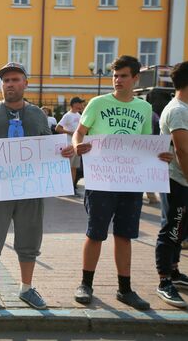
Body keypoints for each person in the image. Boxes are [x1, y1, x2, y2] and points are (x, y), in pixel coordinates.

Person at [0, 62, 74, 310]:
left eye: (15, 80)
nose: (10, 84)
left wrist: (64, 151)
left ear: (25, 83)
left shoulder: (37, 114)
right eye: (6, 81)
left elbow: (48, 145)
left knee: (29, 239)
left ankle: (26, 288)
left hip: (30, 189)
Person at [72, 55, 172, 310]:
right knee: (95, 233)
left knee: (125, 235)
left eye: (123, 75)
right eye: (115, 75)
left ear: (135, 78)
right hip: (101, 180)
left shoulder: (144, 108)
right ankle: (85, 284)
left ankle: (125, 289)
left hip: (130, 181)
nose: (117, 80)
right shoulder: (97, 103)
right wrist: (76, 145)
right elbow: (80, 131)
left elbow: (144, 144)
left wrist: (159, 155)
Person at [154, 61, 188, 308]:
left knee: (181, 229)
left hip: (182, 180)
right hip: (178, 179)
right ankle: (164, 280)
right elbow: (182, 150)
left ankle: (174, 272)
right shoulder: (178, 110)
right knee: (172, 229)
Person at [56, 97, 85, 195]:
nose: (81, 105)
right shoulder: (67, 115)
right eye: (80, 103)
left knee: (74, 168)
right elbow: (58, 128)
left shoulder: (79, 115)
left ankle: (72, 188)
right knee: (67, 168)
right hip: (68, 145)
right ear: (74, 104)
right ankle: (63, 187)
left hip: (76, 145)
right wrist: (71, 132)